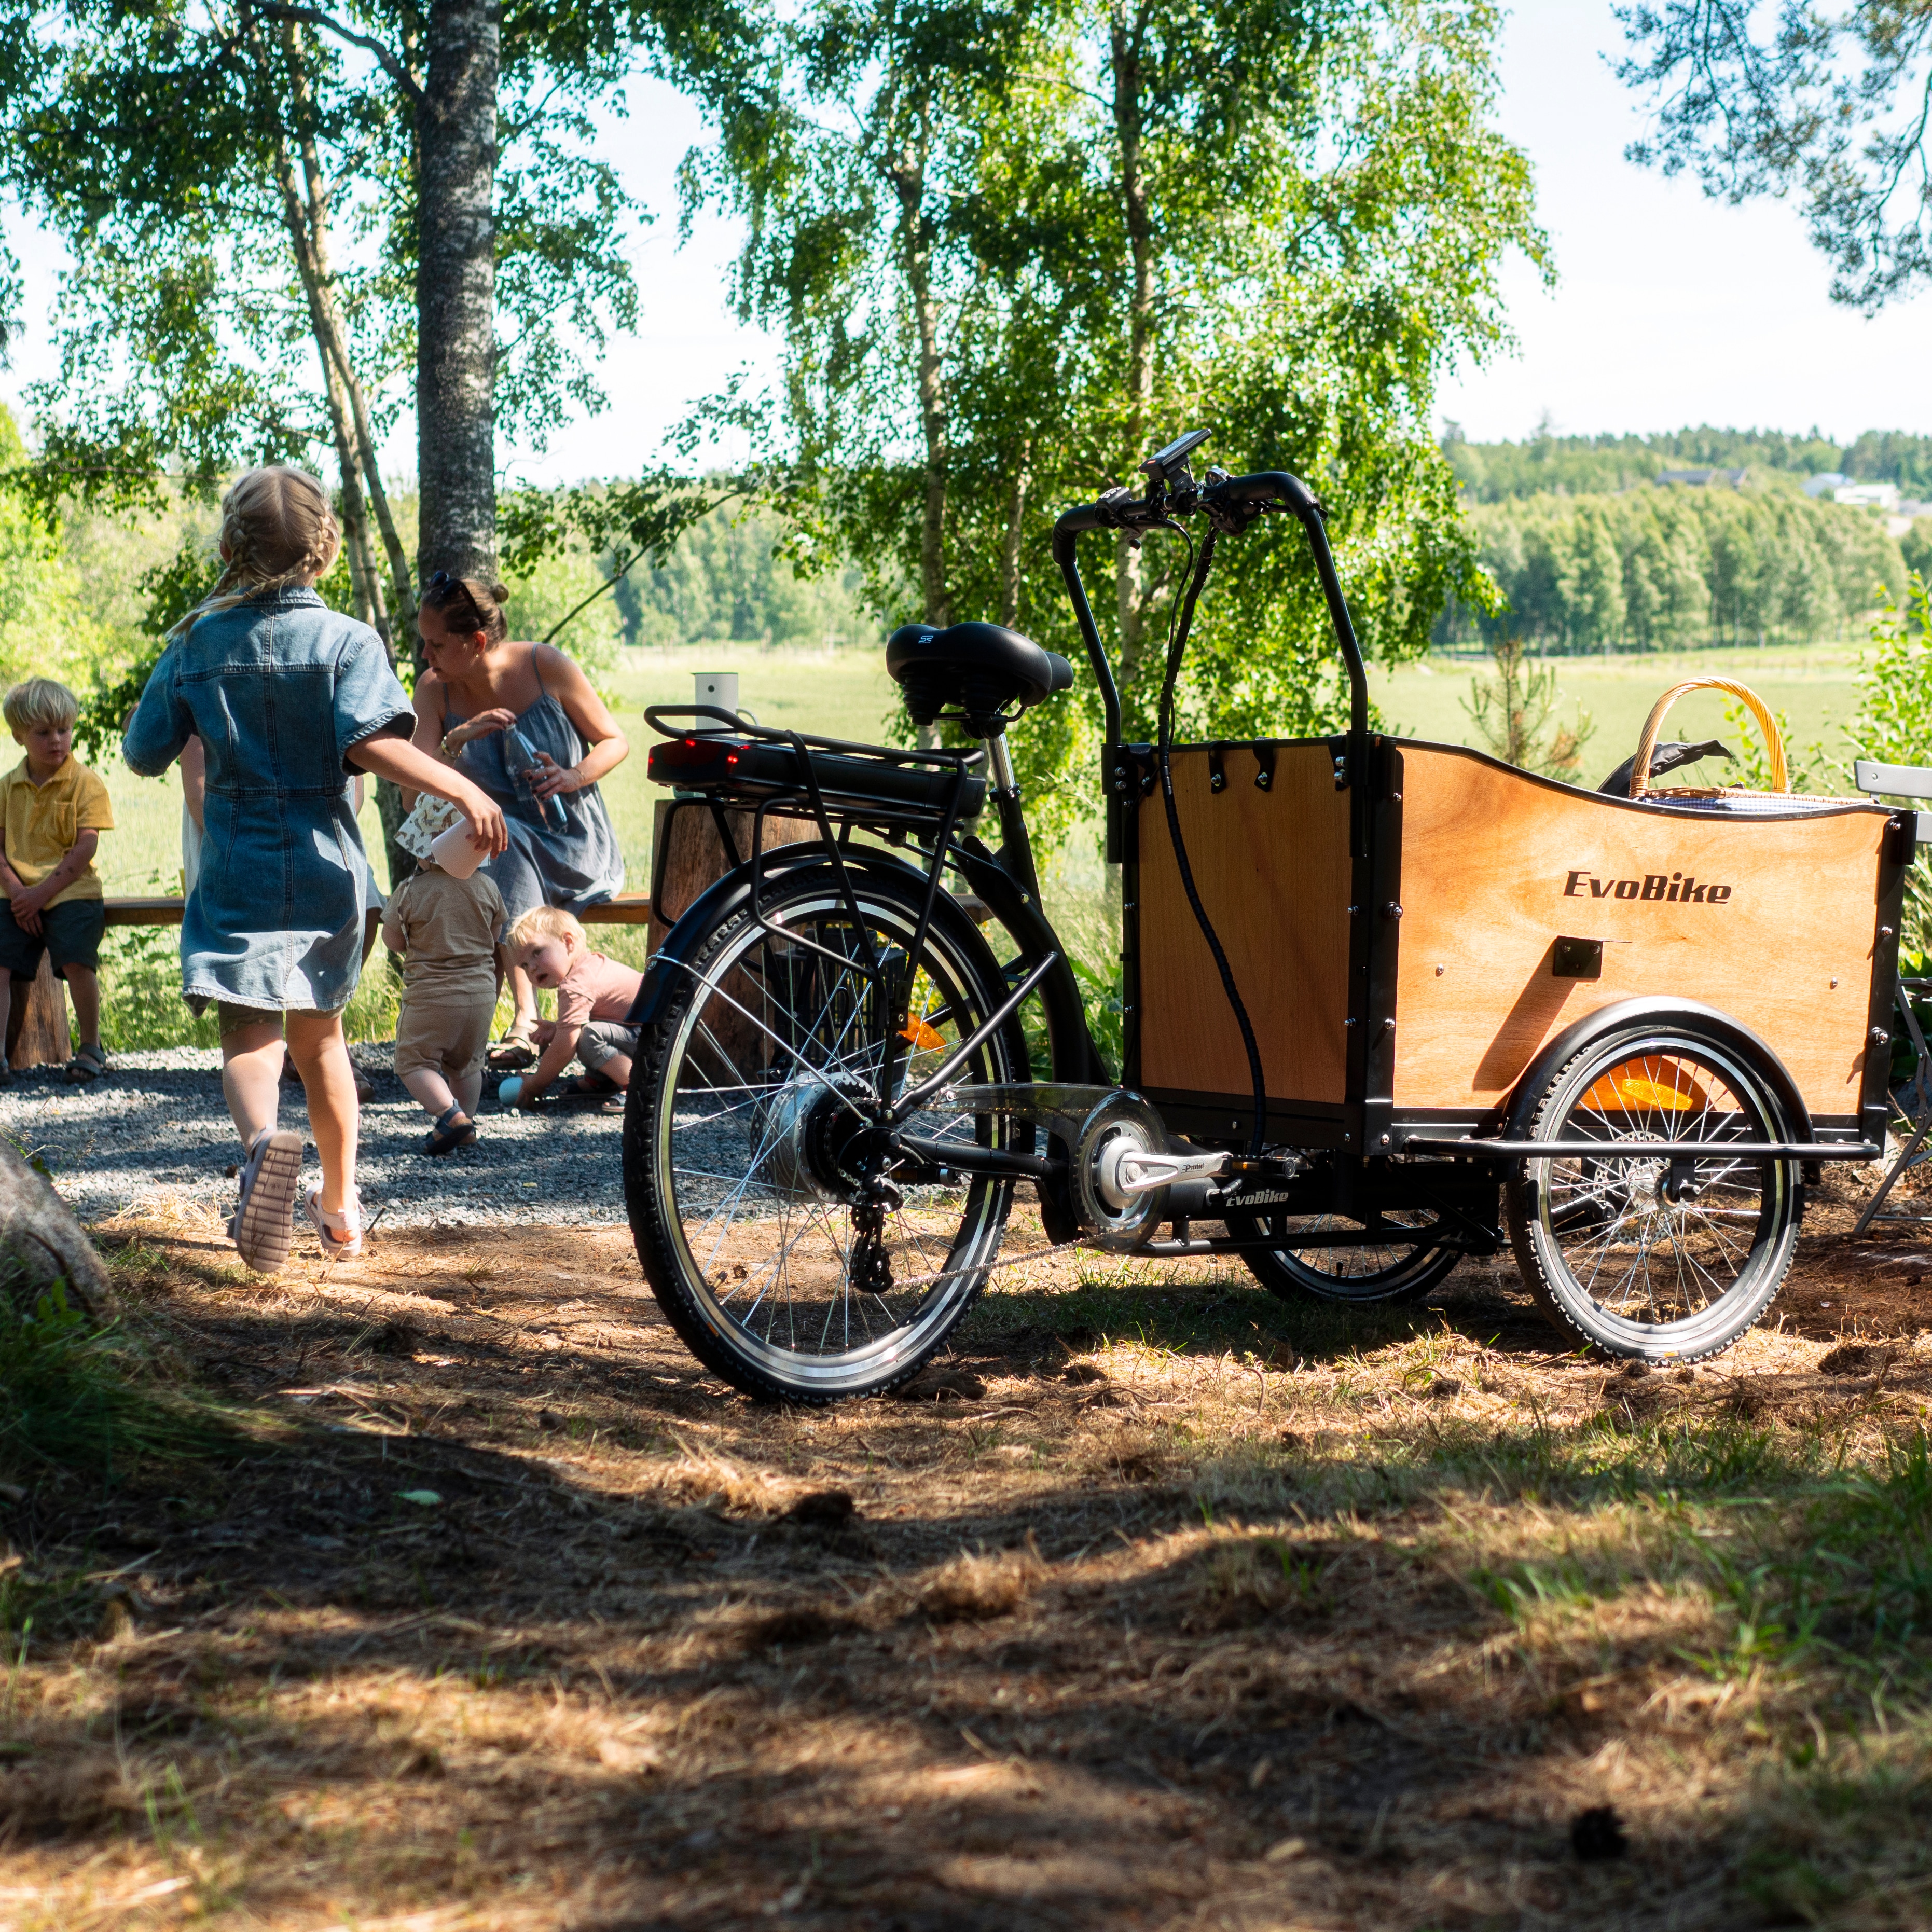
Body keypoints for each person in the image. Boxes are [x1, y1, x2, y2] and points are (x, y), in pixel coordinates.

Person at [123, 465, 507, 1272]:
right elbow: (373, 746)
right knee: (323, 1044)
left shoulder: (196, 641)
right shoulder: (347, 640)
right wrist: (463, 784)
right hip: (328, 869)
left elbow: (141, 751)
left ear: (231, 547)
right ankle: (339, 1210)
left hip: (236, 868)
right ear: (325, 555)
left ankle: (263, 1145)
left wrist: (190, 679)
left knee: (249, 1037)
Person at [406, 575, 627, 1070]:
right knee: (494, 843)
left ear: (476, 642)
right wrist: (455, 742)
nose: (425, 654)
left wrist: (572, 776)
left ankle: (522, 1017)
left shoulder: (545, 666)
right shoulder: (434, 692)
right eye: (425, 641)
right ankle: (489, 1027)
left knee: (502, 841)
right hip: (493, 851)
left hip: (571, 841)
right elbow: (410, 798)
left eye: (436, 643)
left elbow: (616, 741)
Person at [0, 678, 115, 1085]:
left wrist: (41, 895)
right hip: (16, 894)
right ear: (18, 736)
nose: (57, 740)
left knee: (76, 962)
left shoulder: (85, 783)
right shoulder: (7, 788)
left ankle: (90, 1047)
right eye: (43, 732)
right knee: (0, 963)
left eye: (64, 730)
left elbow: (86, 848)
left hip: (71, 890)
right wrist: (19, 894)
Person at [380, 797, 509, 1155]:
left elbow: (392, 940)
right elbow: (497, 932)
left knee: (413, 1062)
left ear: (427, 852)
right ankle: (466, 1124)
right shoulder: (488, 888)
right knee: (467, 1065)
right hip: (481, 994)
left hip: (431, 995)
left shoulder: (411, 891)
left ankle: (449, 1115)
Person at [500, 905, 639, 1110]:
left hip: (657, 1039)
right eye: (525, 966)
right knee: (585, 1031)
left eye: (537, 953)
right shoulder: (586, 968)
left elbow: (566, 1046)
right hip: (652, 1032)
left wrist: (537, 1084)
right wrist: (558, 1028)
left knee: (590, 1035)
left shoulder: (575, 984)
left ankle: (639, 1087)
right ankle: (602, 1081)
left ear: (568, 942)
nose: (532, 968)